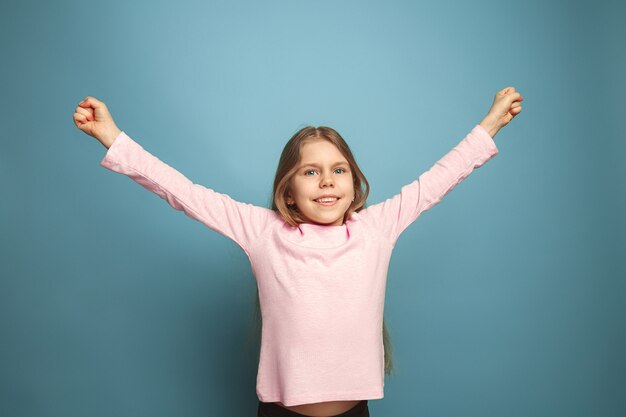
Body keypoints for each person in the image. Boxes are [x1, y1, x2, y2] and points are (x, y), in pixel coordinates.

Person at [73, 87, 523, 417]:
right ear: (288, 192)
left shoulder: (377, 229)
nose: (327, 181)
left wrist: (491, 124)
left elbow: (438, 180)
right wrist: (112, 137)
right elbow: (181, 191)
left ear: (353, 185)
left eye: (338, 170)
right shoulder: (261, 231)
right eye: (311, 171)